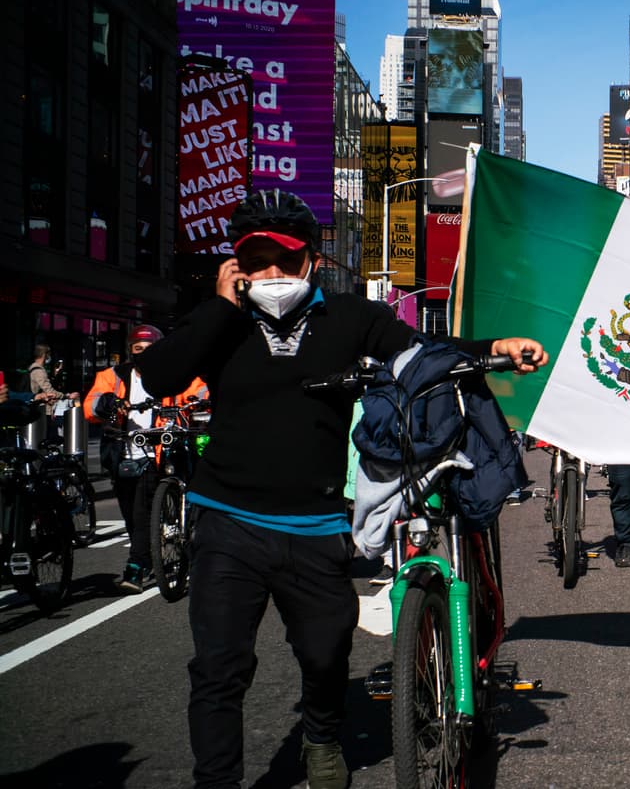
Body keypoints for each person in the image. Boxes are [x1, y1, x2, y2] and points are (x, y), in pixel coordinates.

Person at [135, 189, 545, 789]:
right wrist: (220, 306)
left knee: (326, 654)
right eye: (255, 261)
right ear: (237, 267)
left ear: (313, 263)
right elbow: (159, 375)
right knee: (220, 669)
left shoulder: (350, 318)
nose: (270, 274)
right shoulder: (221, 324)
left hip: (316, 525)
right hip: (227, 521)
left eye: (284, 259)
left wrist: (493, 350)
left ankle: (322, 737)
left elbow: (420, 357)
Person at [85, 325, 203, 592]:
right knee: (130, 513)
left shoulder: (176, 373)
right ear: (130, 351)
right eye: (137, 349)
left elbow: (200, 391)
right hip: (122, 452)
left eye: (149, 349)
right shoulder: (112, 376)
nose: (143, 354)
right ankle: (148, 554)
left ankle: (137, 565)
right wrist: (108, 404)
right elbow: (90, 406)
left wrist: (199, 402)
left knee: (142, 511)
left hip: (160, 451)